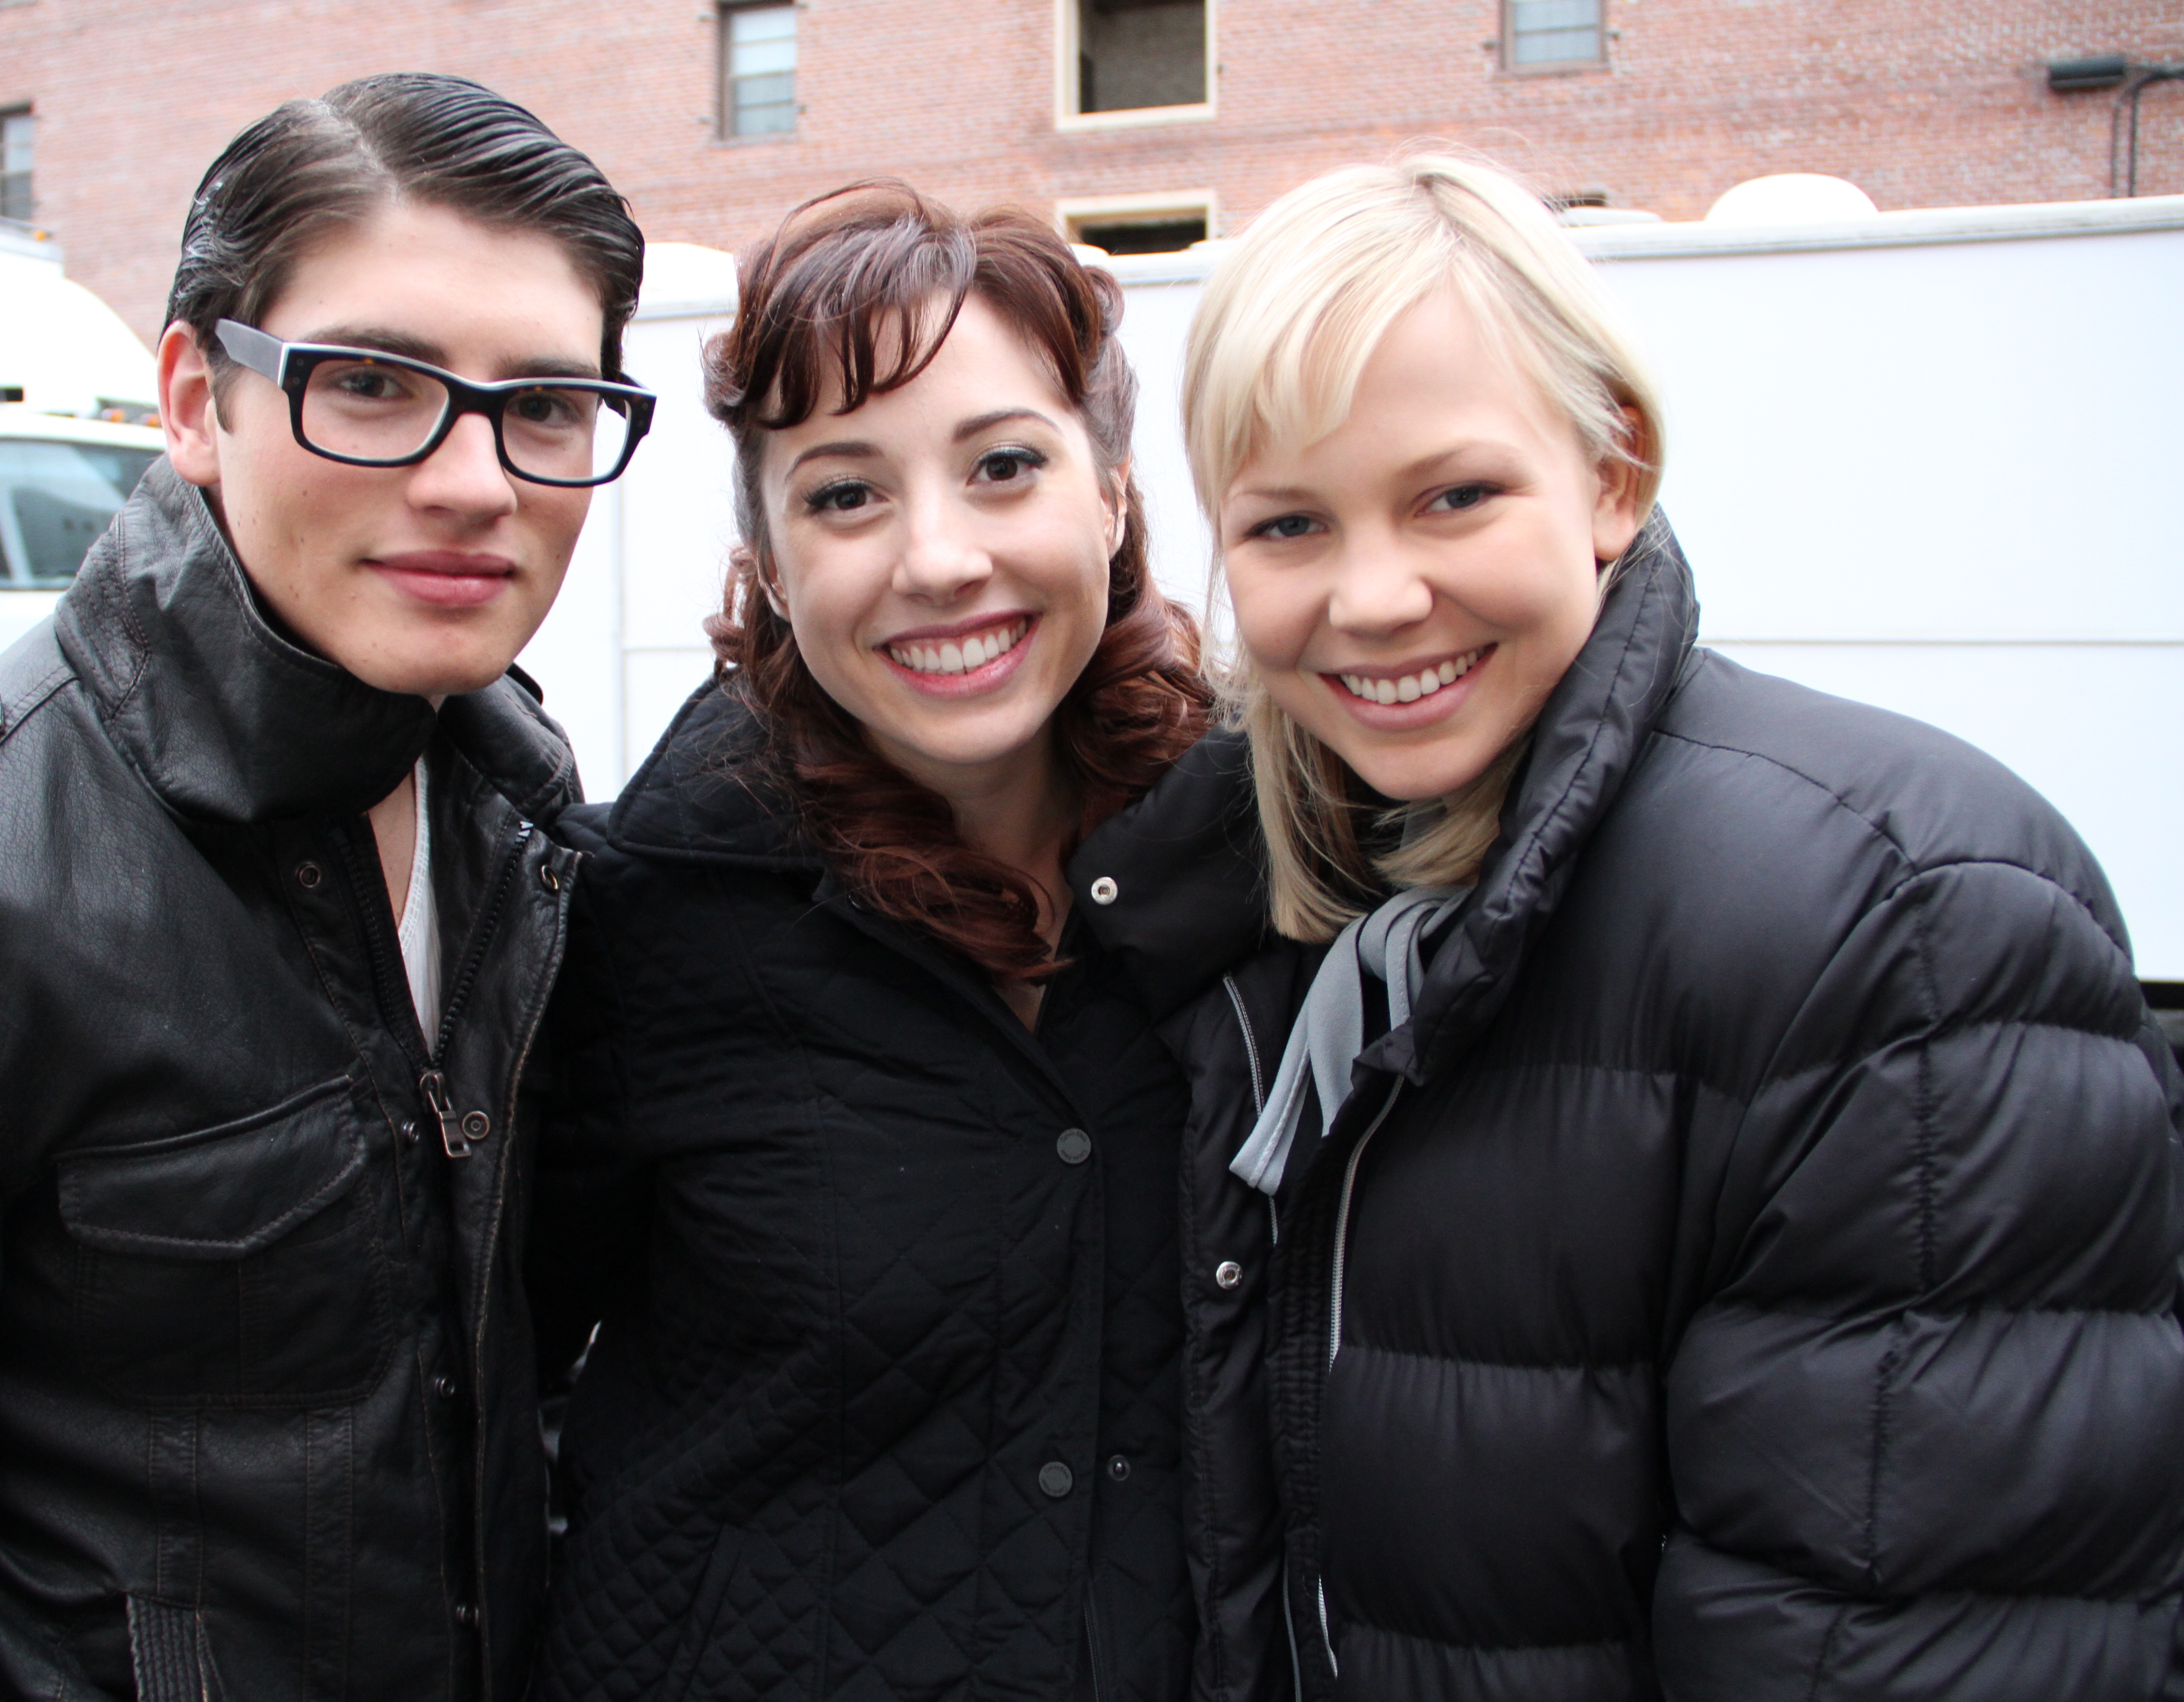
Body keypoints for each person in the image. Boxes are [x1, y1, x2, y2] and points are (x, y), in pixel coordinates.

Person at [1070, 155, 2184, 1698]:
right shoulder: (1271, 905)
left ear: (1613, 472)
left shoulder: (1905, 922)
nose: (1376, 597)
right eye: (1288, 527)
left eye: (1455, 495)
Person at [0, 74, 653, 1702]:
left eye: (543, 404)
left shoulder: (512, 809)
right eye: (374, 383)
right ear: (195, 400)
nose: (477, 481)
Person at [527, 185, 1225, 1702]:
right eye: (846, 495)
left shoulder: (1259, 876)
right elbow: (483, 1386)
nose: (937, 559)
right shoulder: (649, 914)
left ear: (1108, 498)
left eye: (1004, 468)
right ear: (772, 564)